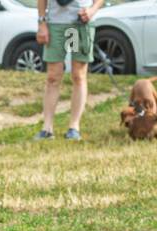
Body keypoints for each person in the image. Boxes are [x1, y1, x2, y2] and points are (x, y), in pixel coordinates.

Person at [35, 0, 105, 141]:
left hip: (78, 23)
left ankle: (74, 128)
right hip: (55, 24)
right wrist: (42, 22)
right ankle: (47, 129)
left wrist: (92, 10)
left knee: (78, 75)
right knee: (53, 76)